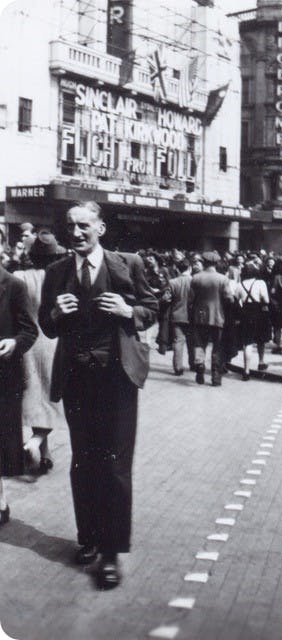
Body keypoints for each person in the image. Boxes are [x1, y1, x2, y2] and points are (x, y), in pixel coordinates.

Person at [38, 201, 158, 590]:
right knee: (83, 462)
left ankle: (110, 554)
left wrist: (128, 311)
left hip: (117, 379)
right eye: (70, 226)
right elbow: (45, 324)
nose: (76, 233)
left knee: (116, 466)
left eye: (84, 226)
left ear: (100, 228)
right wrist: (55, 314)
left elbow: (152, 306)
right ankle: (87, 537)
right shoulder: (56, 272)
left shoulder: (128, 264)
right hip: (77, 380)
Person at [14, 230, 67, 473]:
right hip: (53, 344)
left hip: (25, 344)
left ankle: (43, 456)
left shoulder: (19, 277)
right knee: (50, 401)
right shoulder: (59, 278)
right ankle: (35, 443)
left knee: (34, 398)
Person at [0, 257, 38, 526]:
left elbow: (29, 330)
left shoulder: (13, 285)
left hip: (4, 376)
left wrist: (14, 343)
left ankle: (0, 501)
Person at [189, 251, 234, 386]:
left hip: (200, 317)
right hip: (217, 317)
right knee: (217, 347)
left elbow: (190, 300)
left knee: (200, 344)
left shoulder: (196, 278)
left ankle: (200, 367)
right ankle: (215, 375)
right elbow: (229, 299)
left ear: (204, 262)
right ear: (216, 263)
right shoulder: (222, 279)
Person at [237, 261, 271, 380]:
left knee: (248, 342)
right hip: (259, 312)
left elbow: (237, 300)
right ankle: (261, 361)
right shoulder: (260, 283)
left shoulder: (240, 284)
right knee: (261, 339)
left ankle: (246, 370)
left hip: (245, 313)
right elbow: (266, 299)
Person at [168, 257, 195, 375]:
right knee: (192, 342)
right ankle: (193, 363)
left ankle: (178, 367)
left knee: (178, 342)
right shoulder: (195, 281)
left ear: (178, 269)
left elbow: (167, 298)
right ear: (190, 268)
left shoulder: (173, 282)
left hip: (177, 315)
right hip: (192, 316)